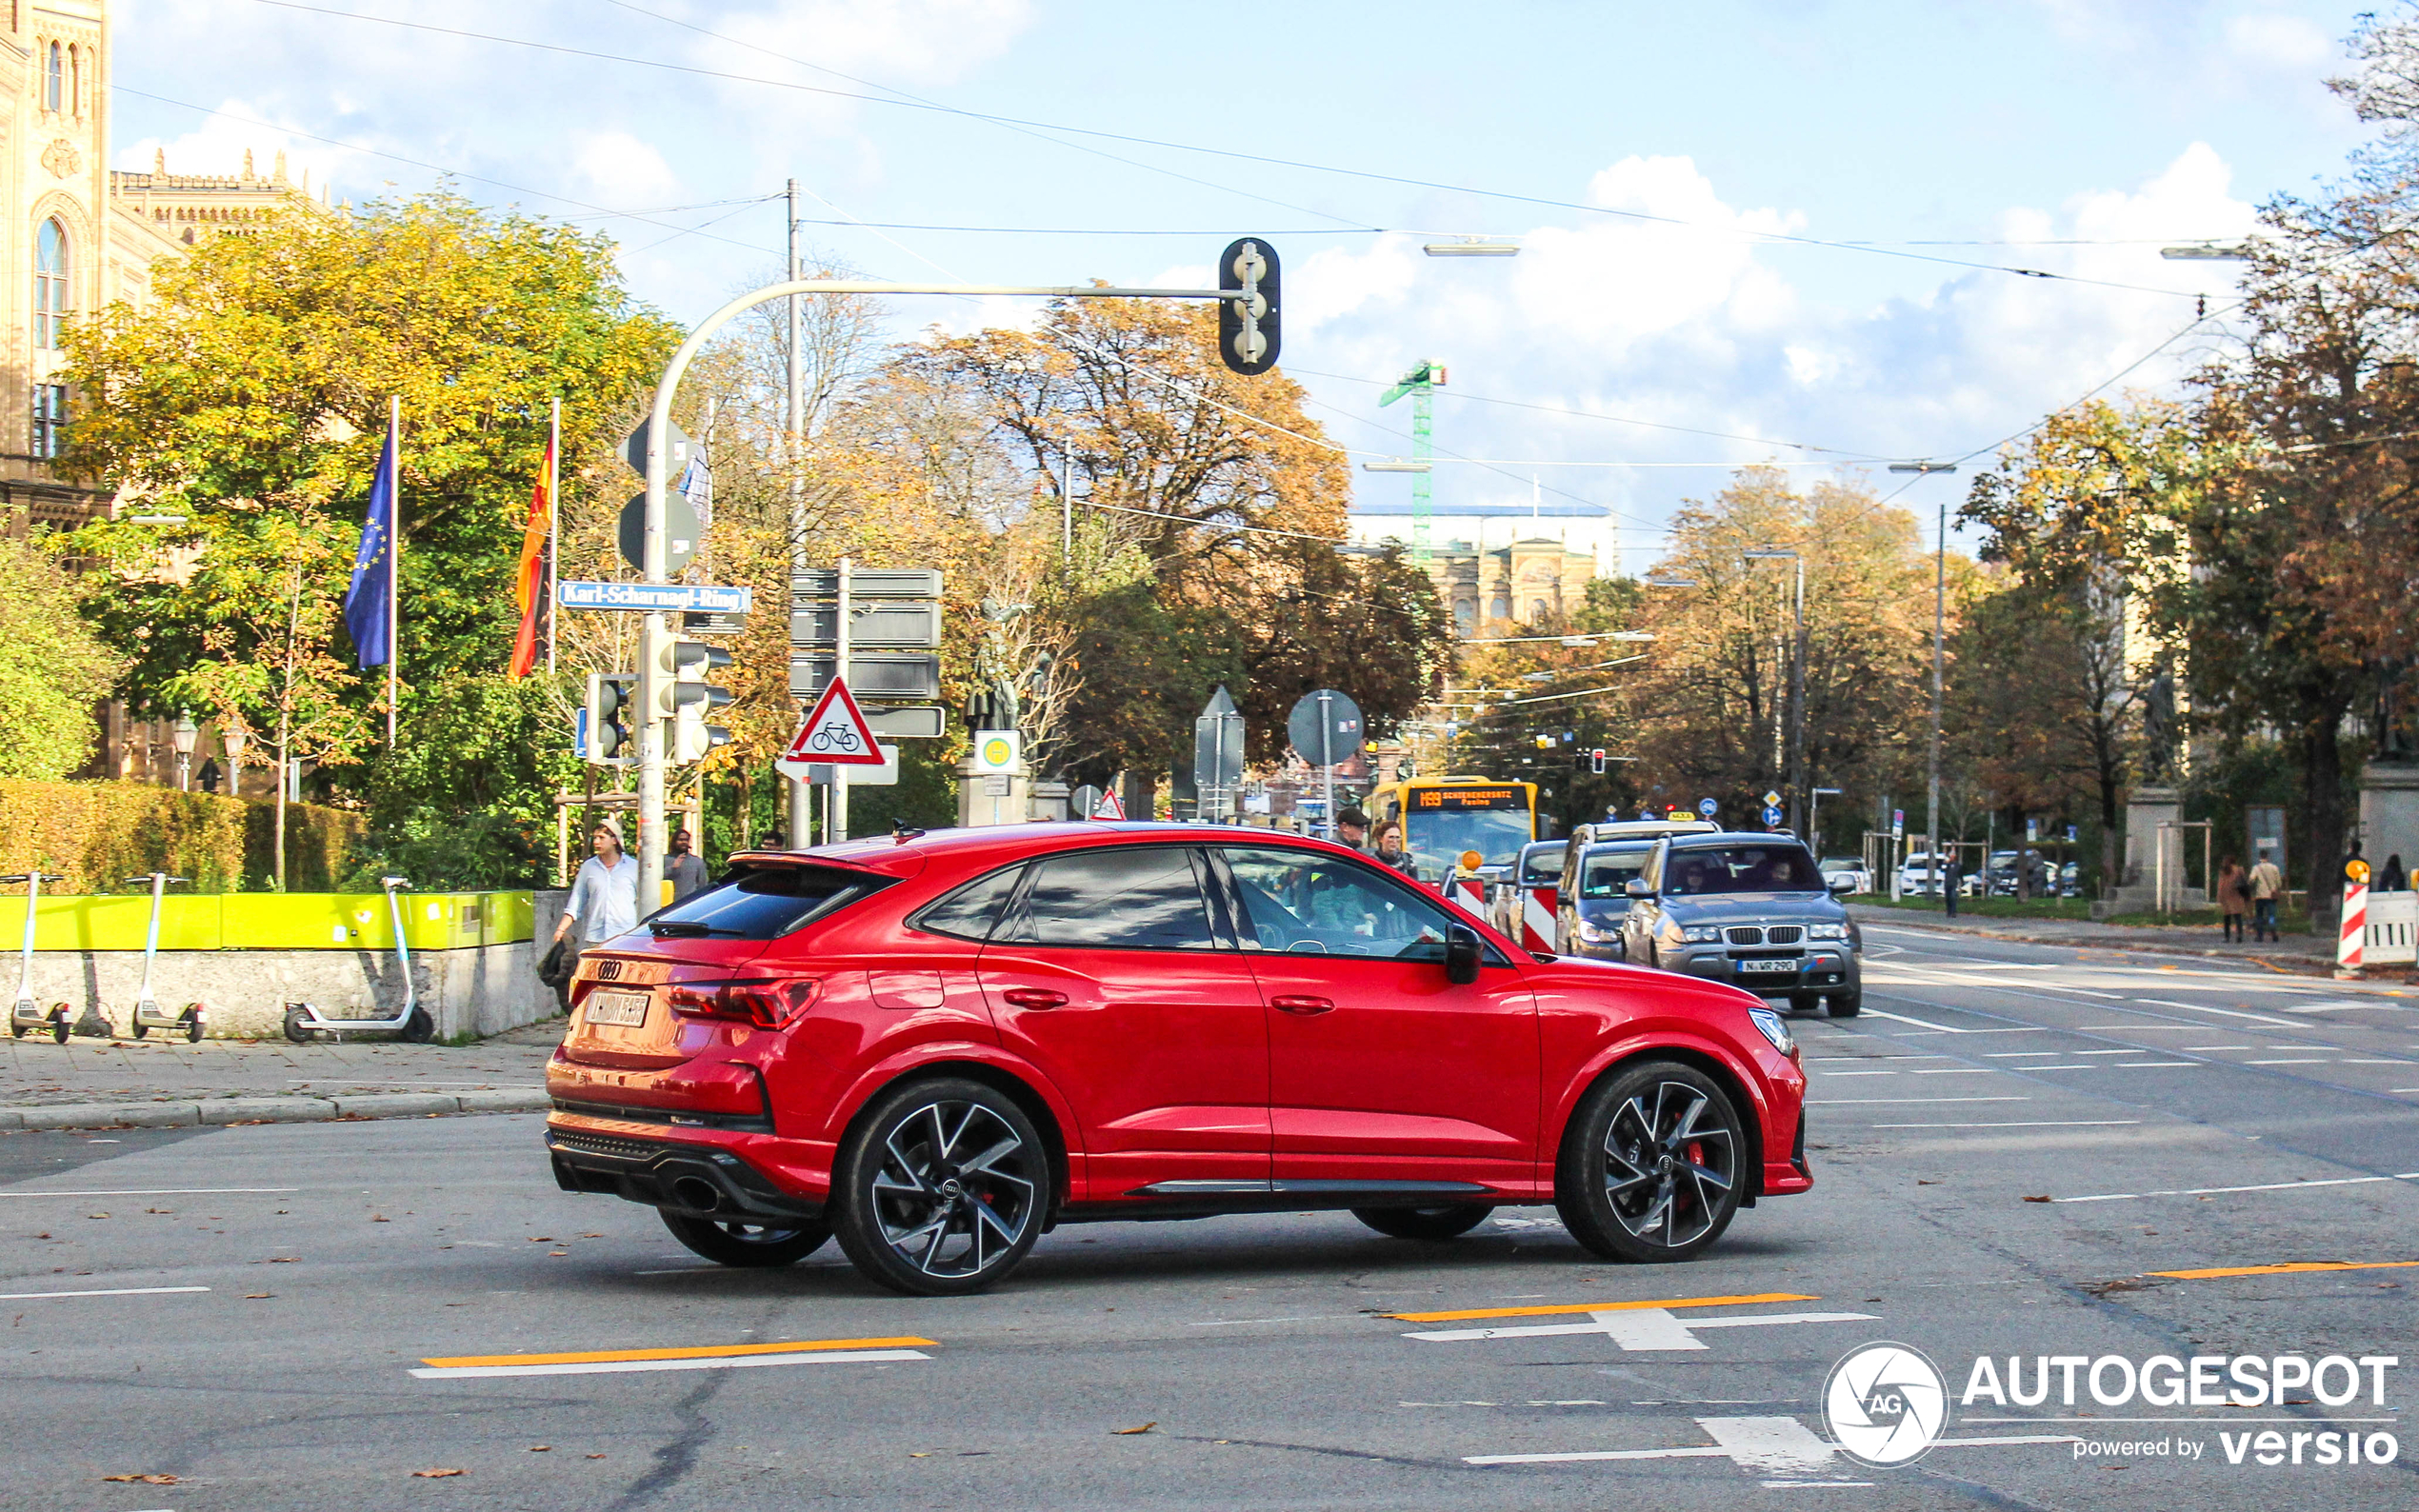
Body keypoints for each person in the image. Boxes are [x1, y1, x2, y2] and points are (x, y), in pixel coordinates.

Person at [555, 820, 641, 952]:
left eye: (601, 838)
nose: (596, 842)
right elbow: (576, 901)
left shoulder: (633, 866)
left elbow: (645, 901)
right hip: (596, 938)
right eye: (594, 838)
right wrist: (561, 929)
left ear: (614, 840)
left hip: (626, 935)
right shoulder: (589, 867)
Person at [2247, 847, 2284, 943]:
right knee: (2271, 915)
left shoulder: (2256, 868)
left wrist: (2252, 886)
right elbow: (2279, 883)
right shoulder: (2274, 868)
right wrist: (2275, 888)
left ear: (2260, 857)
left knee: (2259, 916)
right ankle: (2273, 930)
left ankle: (2260, 936)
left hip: (2260, 896)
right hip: (2271, 896)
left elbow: (2251, 880)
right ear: (2268, 856)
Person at [666, 827, 709, 904]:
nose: (684, 842)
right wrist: (672, 868)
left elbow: (703, 885)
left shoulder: (697, 862)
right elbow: (656, 880)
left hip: (690, 904)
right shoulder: (665, 860)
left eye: (686, 840)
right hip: (669, 906)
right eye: (681, 840)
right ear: (674, 841)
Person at [2216, 855, 2249, 943]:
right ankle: (2239, 936)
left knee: (2227, 918)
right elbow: (2243, 881)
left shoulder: (2223, 871)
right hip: (2237, 895)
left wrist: (2219, 896)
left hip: (2226, 895)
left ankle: (2227, 937)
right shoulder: (2239, 870)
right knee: (2238, 917)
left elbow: (2220, 884)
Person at [1942, 849, 1963, 918]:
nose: (1951, 857)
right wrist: (1945, 863)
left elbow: (1960, 873)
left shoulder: (1957, 865)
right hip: (1947, 883)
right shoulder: (1947, 864)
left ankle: (1953, 912)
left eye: (1953, 855)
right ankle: (1949, 912)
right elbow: (1942, 869)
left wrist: (1962, 881)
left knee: (1953, 897)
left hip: (1953, 883)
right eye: (1950, 856)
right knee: (1948, 898)